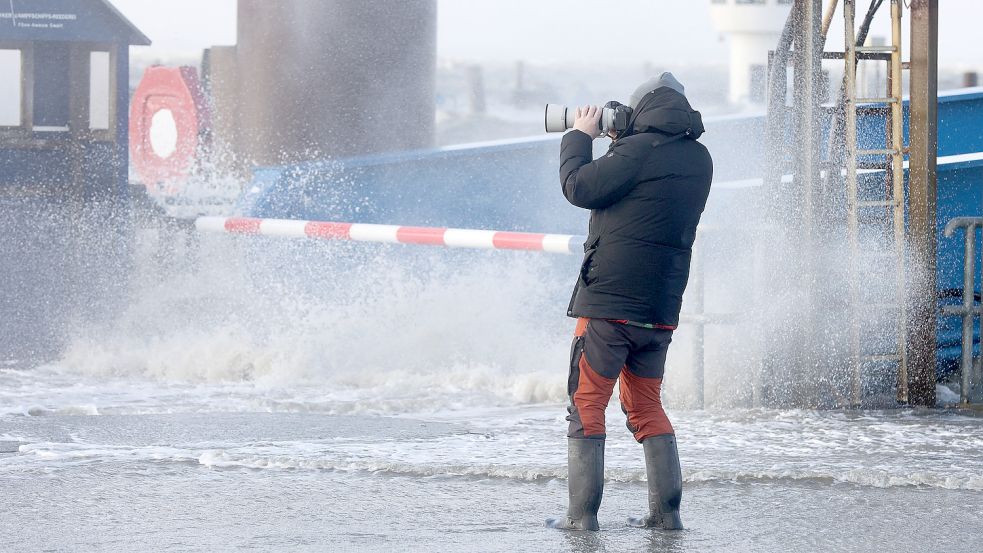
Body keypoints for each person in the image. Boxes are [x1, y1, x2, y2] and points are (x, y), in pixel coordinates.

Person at [545, 73, 713, 531]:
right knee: (646, 406)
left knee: (586, 402)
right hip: (659, 312)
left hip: (609, 306)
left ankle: (581, 518)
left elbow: (579, 186)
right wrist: (624, 138)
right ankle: (666, 516)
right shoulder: (700, 158)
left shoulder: (636, 151)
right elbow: (646, 195)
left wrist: (581, 136)